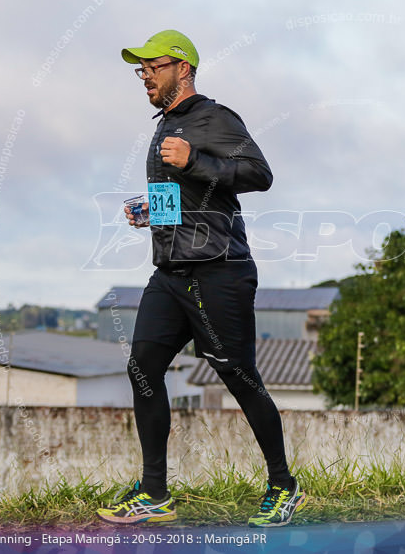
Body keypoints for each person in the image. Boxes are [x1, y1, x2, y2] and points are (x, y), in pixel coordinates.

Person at [95, 30, 305, 526]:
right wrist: (154, 211)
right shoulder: (165, 125)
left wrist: (196, 160)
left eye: (154, 65)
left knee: (239, 377)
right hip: (170, 272)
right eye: (139, 68)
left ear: (183, 68)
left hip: (219, 272)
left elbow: (259, 173)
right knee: (143, 365)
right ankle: (154, 493)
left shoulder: (215, 118)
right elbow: (189, 197)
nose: (145, 74)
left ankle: (284, 486)